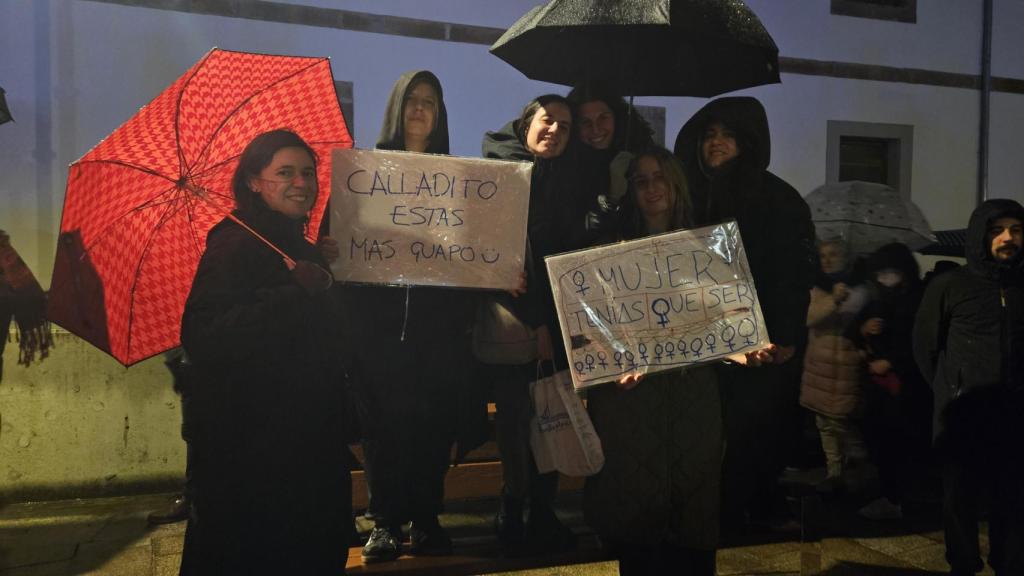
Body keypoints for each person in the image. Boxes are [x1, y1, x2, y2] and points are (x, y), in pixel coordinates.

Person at [178, 129, 353, 574]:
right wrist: (294, 291)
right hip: (255, 455)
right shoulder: (234, 243)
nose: (302, 183)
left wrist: (322, 265)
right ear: (254, 182)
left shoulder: (291, 241)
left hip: (305, 439)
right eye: (285, 173)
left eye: (308, 173)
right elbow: (206, 333)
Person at [346, 70, 486, 563]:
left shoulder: (458, 179)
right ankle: (383, 522)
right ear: (396, 109)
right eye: (412, 101)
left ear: (440, 112)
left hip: (437, 330)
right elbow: (347, 241)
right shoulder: (365, 173)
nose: (420, 110)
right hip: (378, 329)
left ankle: (427, 519)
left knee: (432, 427)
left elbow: (476, 246)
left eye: (430, 102)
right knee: (381, 429)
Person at [674, 97, 817, 537]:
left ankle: (743, 507)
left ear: (746, 142)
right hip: (702, 338)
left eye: (727, 135)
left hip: (762, 339)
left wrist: (786, 332)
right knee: (706, 429)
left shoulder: (777, 197)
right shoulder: (690, 194)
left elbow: (794, 271)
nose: (716, 143)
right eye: (710, 135)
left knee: (753, 429)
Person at [583, 147, 721, 575]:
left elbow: (726, 319)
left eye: (660, 177)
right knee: (639, 538)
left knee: (692, 533)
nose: (652, 188)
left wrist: (744, 349)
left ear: (676, 182)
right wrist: (608, 374)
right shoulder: (609, 254)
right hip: (632, 409)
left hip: (692, 403)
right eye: (641, 180)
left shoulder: (709, 248)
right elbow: (592, 330)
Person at [481, 94, 580, 555]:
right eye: (548, 120)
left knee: (551, 417)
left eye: (564, 125)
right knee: (517, 425)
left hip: (558, 325)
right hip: (513, 323)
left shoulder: (568, 181)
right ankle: (512, 509)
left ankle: (541, 511)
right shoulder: (500, 174)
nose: (555, 130)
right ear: (526, 123)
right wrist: (533, 315)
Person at [913, 199, 1024, 575]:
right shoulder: (950, 286)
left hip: (1015, 416)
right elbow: (925, 348)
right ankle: (963, 564)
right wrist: (953, 391)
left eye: (1016, 230)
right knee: (960, 499)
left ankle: (1009, 564)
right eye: (997, 230)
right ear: (981, 236)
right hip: (964, 416)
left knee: (1012, 498)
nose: (1008, 238)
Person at [854, 242, 930, 520]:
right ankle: (892, 493)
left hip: (906, 385)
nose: (883, 279)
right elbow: (861, 330)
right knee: (883, 439)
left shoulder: (917, 298)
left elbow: (921, 341)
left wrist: (892, 361)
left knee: (901, 443)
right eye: (880, 274)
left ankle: (900, 498)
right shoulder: (882, 299)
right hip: (881, 384)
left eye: (889, 273)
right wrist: (864, 331)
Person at [799, 238, 869, 494]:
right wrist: (833, 301)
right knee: (824, 424)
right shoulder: (817, 289)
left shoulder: (862, 290)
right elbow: (809, 318)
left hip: (847, 367)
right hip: (820, 367)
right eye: (823, 255)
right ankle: (834, 472)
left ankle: (859, 467)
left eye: (834, 255)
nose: (827, 260)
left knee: (844, 422)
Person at [566, 82, 655, 240]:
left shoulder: (642, 153)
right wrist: (612, 197)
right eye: (585, 122)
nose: (596, 129)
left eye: (603, 117)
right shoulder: (566, 168)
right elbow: (575, 235)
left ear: (617, 117)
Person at [146, 348, 194, 525]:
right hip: (201, 370)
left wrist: (177, 365)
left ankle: (192, 498)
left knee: (196, 436)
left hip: (197, 372)